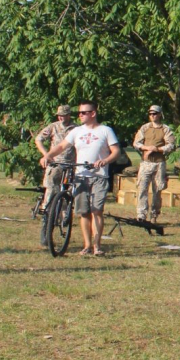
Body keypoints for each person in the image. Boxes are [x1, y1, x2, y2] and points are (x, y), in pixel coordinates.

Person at [41, 100, 121, 256]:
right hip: (81, 176)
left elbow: (116, 151)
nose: (80, 115)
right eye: (79, 113)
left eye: (83, 112)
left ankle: (97, 246)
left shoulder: (105, 131)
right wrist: (48, 155)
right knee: (83, 212)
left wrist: (105, 161)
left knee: (96, 210)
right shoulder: (77, 131)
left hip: (99, 176)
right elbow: (62, 146)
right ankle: (87, 245)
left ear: (93, 113)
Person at [132, 104, 176, 223]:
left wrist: (157, 149)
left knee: (157, 190)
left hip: (159, 163)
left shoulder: (165, 129)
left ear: (160, 114)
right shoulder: (145, 128)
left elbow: (171, 145)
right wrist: (147, 148)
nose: (152, 116)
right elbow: (136, 143)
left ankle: (154, 215)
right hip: (145, 163)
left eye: (155, 113)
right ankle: (141, 215)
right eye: (150, 114)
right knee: (142, 189)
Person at [34, 105, 76, 212]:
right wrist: (46, 154)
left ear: (69, 115)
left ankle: (64, 215)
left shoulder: (76, 129)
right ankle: (47, 210)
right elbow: (38, 139)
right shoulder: (53, 127)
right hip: (55, 163)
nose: (61, 118)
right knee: (51, 185)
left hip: (71, 164)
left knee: (69, 191)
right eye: (59, 116)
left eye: (63, 115)